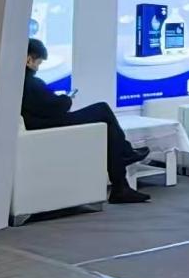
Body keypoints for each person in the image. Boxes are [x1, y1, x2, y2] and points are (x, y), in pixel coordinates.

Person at [22, 38, 151, 205]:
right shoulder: (30, 82)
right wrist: (67, 99)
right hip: (51, 125)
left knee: (108, 128)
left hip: (41, 125)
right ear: (29, 59)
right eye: (38, 63)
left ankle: (122, 173)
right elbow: (57, 107)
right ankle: (124, 160)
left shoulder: (16, 81)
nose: (38, 67)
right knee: (103, 110)